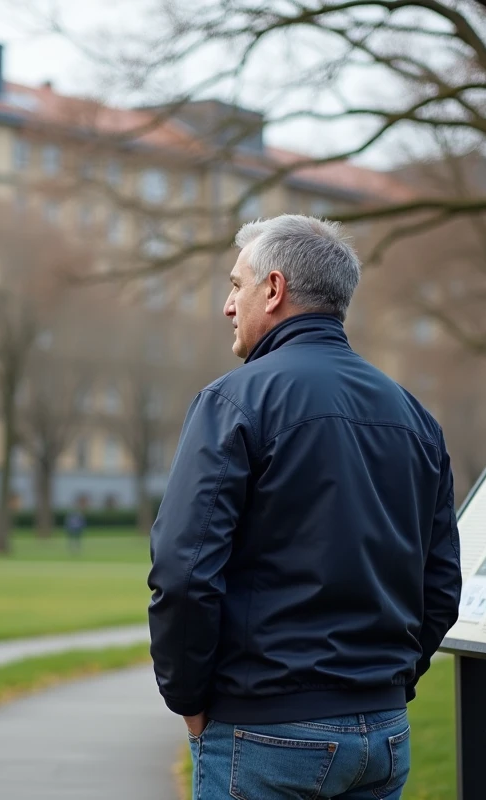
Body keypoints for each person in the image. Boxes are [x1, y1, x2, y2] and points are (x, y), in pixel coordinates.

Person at [147, 215, 462, 800]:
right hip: (384, 733)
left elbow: (183, 572)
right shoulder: (416, 417)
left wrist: (188, 701)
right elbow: (440, 583)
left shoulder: (235, 401)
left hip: (265, 732)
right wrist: (388, 686)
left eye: (235, 285)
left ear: (273, 288)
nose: (226, 305)